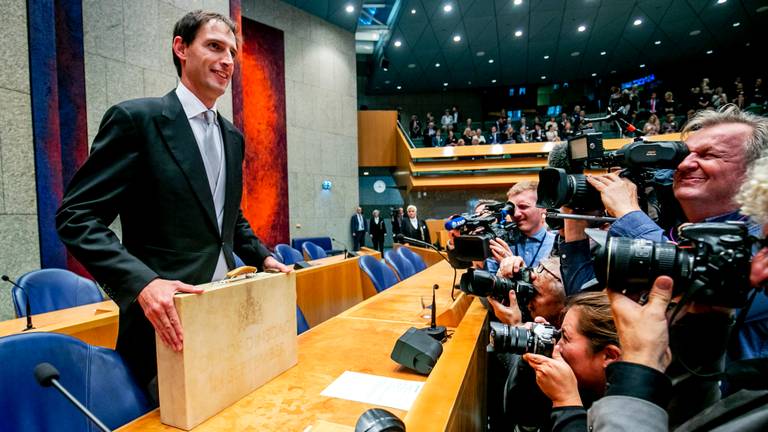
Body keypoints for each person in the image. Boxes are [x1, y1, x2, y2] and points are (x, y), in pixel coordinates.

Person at [55, 10, 291, 395]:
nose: (227, 60)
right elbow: (76, 216)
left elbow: (226, 219)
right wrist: (143, 284)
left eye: (232, 52)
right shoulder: (136, 120)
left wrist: (262, 256)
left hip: (225, 313)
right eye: (214, 46)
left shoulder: (233, 138)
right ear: (181, 48)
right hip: (164, 325)